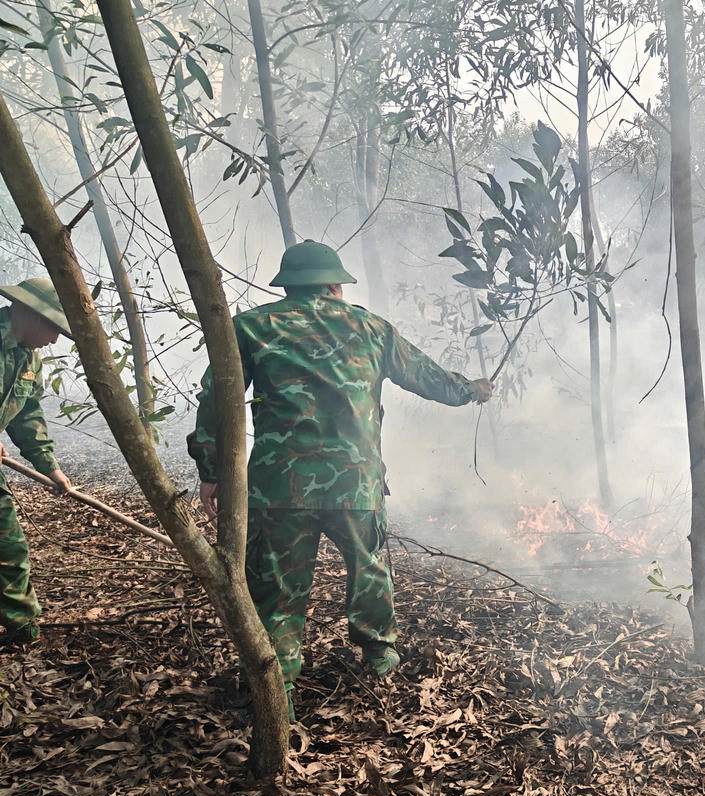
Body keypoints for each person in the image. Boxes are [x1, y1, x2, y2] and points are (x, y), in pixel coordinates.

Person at [187, 241, 493, 717]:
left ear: (287, 285)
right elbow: (431, 379)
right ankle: (380, 657)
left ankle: (278, 691)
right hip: (356, 484)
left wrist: (211, 470)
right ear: (335, 284)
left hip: (279, 486)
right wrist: (471, 389)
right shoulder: (371, 328)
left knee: (279, 589)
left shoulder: (251, 327)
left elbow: (215, 398)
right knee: (368, 565)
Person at [0, 278, 75, 645]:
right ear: (28, 313)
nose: (55, 340)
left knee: (8, 547)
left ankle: (22, 629)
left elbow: (27, 415)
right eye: (52, 328)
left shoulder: (29, 358)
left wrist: (50, 468)